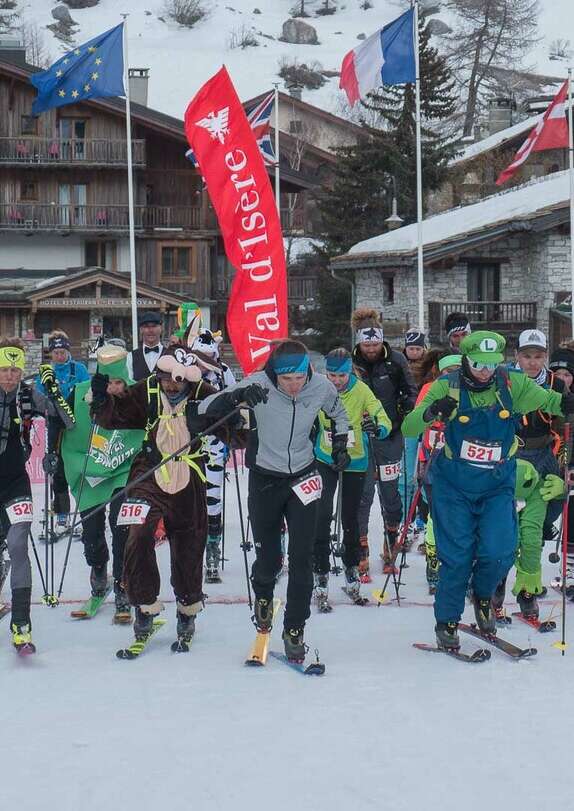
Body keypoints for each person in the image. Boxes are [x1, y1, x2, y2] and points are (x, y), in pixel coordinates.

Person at [402, 330, 574, 650]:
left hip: (496, 484)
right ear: (466, 358)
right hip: (454, 485)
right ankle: (447, 620)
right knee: (457, 555)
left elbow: (553, 403)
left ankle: (482, 594)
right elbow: (409, 427)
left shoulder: (511, 384)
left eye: (491, 364)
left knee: (500, 550)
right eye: (478, 363)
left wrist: (565, 400)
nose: (484, 370)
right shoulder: (447, 386)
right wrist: (429, 412)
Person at [199, 339, 349, 662]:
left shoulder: (320, 386)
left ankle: (295, 628)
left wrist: (340, 444)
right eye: (286, 381)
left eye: (299, 379)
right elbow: (205, 408)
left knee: (301, 557)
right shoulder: (258, 383)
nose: (294, 387)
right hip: (265, 477)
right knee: (269, 557)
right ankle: (263, 596)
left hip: (305, 475)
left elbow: (339, 414)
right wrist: (238, 398)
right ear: (275, 376)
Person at [90, 331, 235, 649]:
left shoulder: (203, 392)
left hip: (189, 476)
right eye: (167, 378)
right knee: (137, 535)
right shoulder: (147, 389)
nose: (172, 385)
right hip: (148, 474)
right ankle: (144, 606)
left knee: (189, 545)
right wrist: (103, 399)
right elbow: (114, 416)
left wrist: (241, 415)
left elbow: (233, 432)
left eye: (177, 381)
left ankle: (187, 610)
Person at [60, 343, 145, 619]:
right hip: (90, 468)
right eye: (108, 383)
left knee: (121, 526)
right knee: (92, 530)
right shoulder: (83, 392)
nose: (114, 388)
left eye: (118, 382)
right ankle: (99, 574)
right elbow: (60, 421)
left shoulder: (136, 393)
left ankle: (122, 584)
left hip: (123, 467)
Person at [0, 338, 74, 651]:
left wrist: (52, 386)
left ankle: (21, 621)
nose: (9, 376)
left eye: (15, 371)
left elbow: (66, 419)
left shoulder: (29, 394)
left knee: (18, 545)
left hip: (18, 482)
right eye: (4, 370)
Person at [495, 328, 565, 618]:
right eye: (527, 356)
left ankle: (527, 589)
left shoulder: (556, 384)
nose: (532, 362)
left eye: (538, 356)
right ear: (517, 356)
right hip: (509, 459)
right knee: (503, 531)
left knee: (531, 533)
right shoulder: (504, 381)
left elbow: (565, 429)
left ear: (545, 356)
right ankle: (494, 586)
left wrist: (563, 468)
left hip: (542, 459)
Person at [313, 348, 391, 604]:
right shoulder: (320, 387)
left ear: (350, 372)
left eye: (341, 376)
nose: (336, 380)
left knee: (350, 518)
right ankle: (321, 570)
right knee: (321, 513)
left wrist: (378, 428)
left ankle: (351, 569)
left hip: (355, 460)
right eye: (332, 375)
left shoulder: (361, 390)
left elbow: (381, 415)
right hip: (325, 457)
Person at [351, 309, 418, 574]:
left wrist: (406, 405)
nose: (371, 349)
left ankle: (391, 546)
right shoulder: (352, 362)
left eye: (375, 344)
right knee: (363, 496)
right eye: (366, 344)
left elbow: (411, 390)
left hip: (390, 435)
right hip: (361, 440)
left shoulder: (396, 360)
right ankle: (361, 549)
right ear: (359, 342)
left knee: (390, 495)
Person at [414, 351, 462, 594]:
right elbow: (417, 419)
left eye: (456, 370)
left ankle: (458, 563)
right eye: (447, 371)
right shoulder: (429, 389)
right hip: (433, 459)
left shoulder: (470, 390)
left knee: (460, 515)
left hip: (462, 463)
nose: (452, 375)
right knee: (436, 512)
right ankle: (433, 557)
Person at [191, 327, 236, 583]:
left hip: (215, 443)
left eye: (208, 356)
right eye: (200, 356)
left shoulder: (225, 372)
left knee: (213, 498)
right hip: (189, 444)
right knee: (190, 498)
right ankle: (192, 548)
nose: (204, 362)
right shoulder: (186, 371)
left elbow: (234, 399)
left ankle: (212, 548)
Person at [34, 330, 90, 534]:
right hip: (57, 427)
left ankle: (87, 513)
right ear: (51, 354)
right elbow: (39, 400)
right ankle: (62, 515)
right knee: (58, 470)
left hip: (78, 428)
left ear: (68, 351)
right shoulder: (46, 372)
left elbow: (88, 393)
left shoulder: (79, 369)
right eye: (55, 352)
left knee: (82, 469)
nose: (59, 356)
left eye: (62, 352)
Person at [402, 327, 427, 538]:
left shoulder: (430, 366)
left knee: (425, 473)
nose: (414, 352)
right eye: (411, 348)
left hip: (426, 422)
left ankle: (423, 517)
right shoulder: (399, 363)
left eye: (418, 348)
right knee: (408, 473)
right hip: (408, 423)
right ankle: (406, 519)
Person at [126, 312, 165, 382]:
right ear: (141, 330)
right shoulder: (131, 356)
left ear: (161, 328)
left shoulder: (170, 354)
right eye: (146, 326)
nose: (151, 330)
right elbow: (130, 384)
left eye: (154, 326)